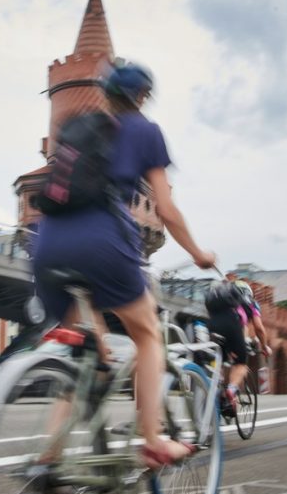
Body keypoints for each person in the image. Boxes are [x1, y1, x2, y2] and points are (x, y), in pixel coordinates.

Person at [32, 61, 216, 469]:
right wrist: (198, 253)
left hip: (46, 241)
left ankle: (48, 460)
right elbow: (165, 209)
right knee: (148, 334)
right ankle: (152, 441)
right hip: (101, 239)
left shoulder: (79, 126)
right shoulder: (145, 131)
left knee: (85, 354)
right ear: (143, 96)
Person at [205, 280, 272, 415]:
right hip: (232, 325)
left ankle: (217, 390)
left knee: (219, 360)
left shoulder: (221, 299)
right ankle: (230, 390)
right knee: (240, 363)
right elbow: (258, 328)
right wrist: (264, 346)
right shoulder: (251, 303)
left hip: (211, 326)